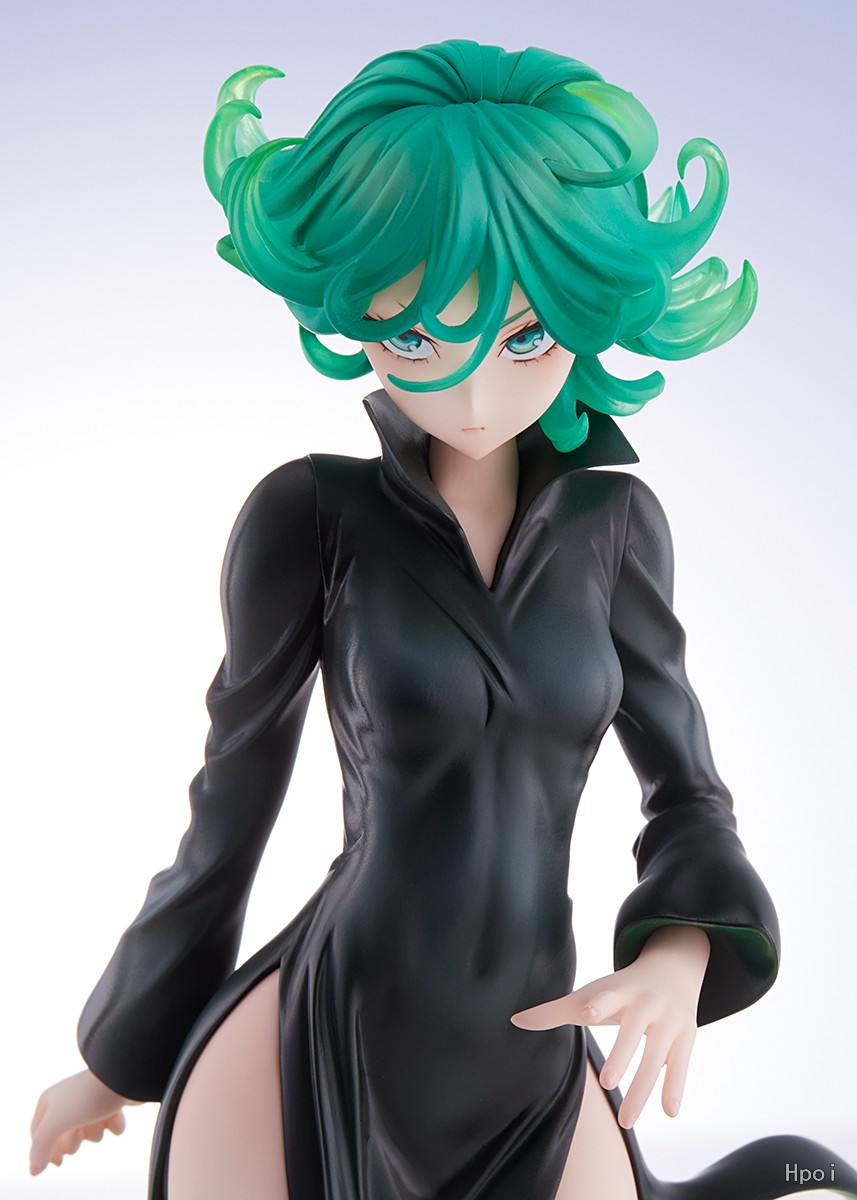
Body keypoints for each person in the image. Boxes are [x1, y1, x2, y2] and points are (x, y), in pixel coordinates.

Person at [29, 40, 857, 1200]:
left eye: (523, 336)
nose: (471, 395)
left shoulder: (614, 527)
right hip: (326, 1037)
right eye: (415, 334)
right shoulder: (310, 518)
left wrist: (678, 956)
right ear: (352, 308)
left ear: (586, 310)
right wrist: (119, 1058)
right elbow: (229, 808)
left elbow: (686, 794)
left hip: (534, 1040)